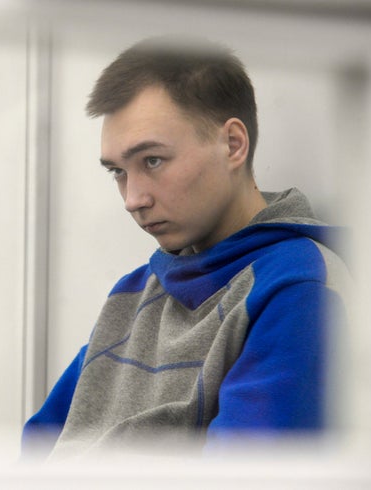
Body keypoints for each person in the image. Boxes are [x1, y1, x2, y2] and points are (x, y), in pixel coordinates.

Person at [22, 37, 350, 461]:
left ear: (233, 144)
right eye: (118, 172)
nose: (132, 197)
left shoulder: (298, 286)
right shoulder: (134, 293)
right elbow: (34, 456)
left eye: (153, 161)